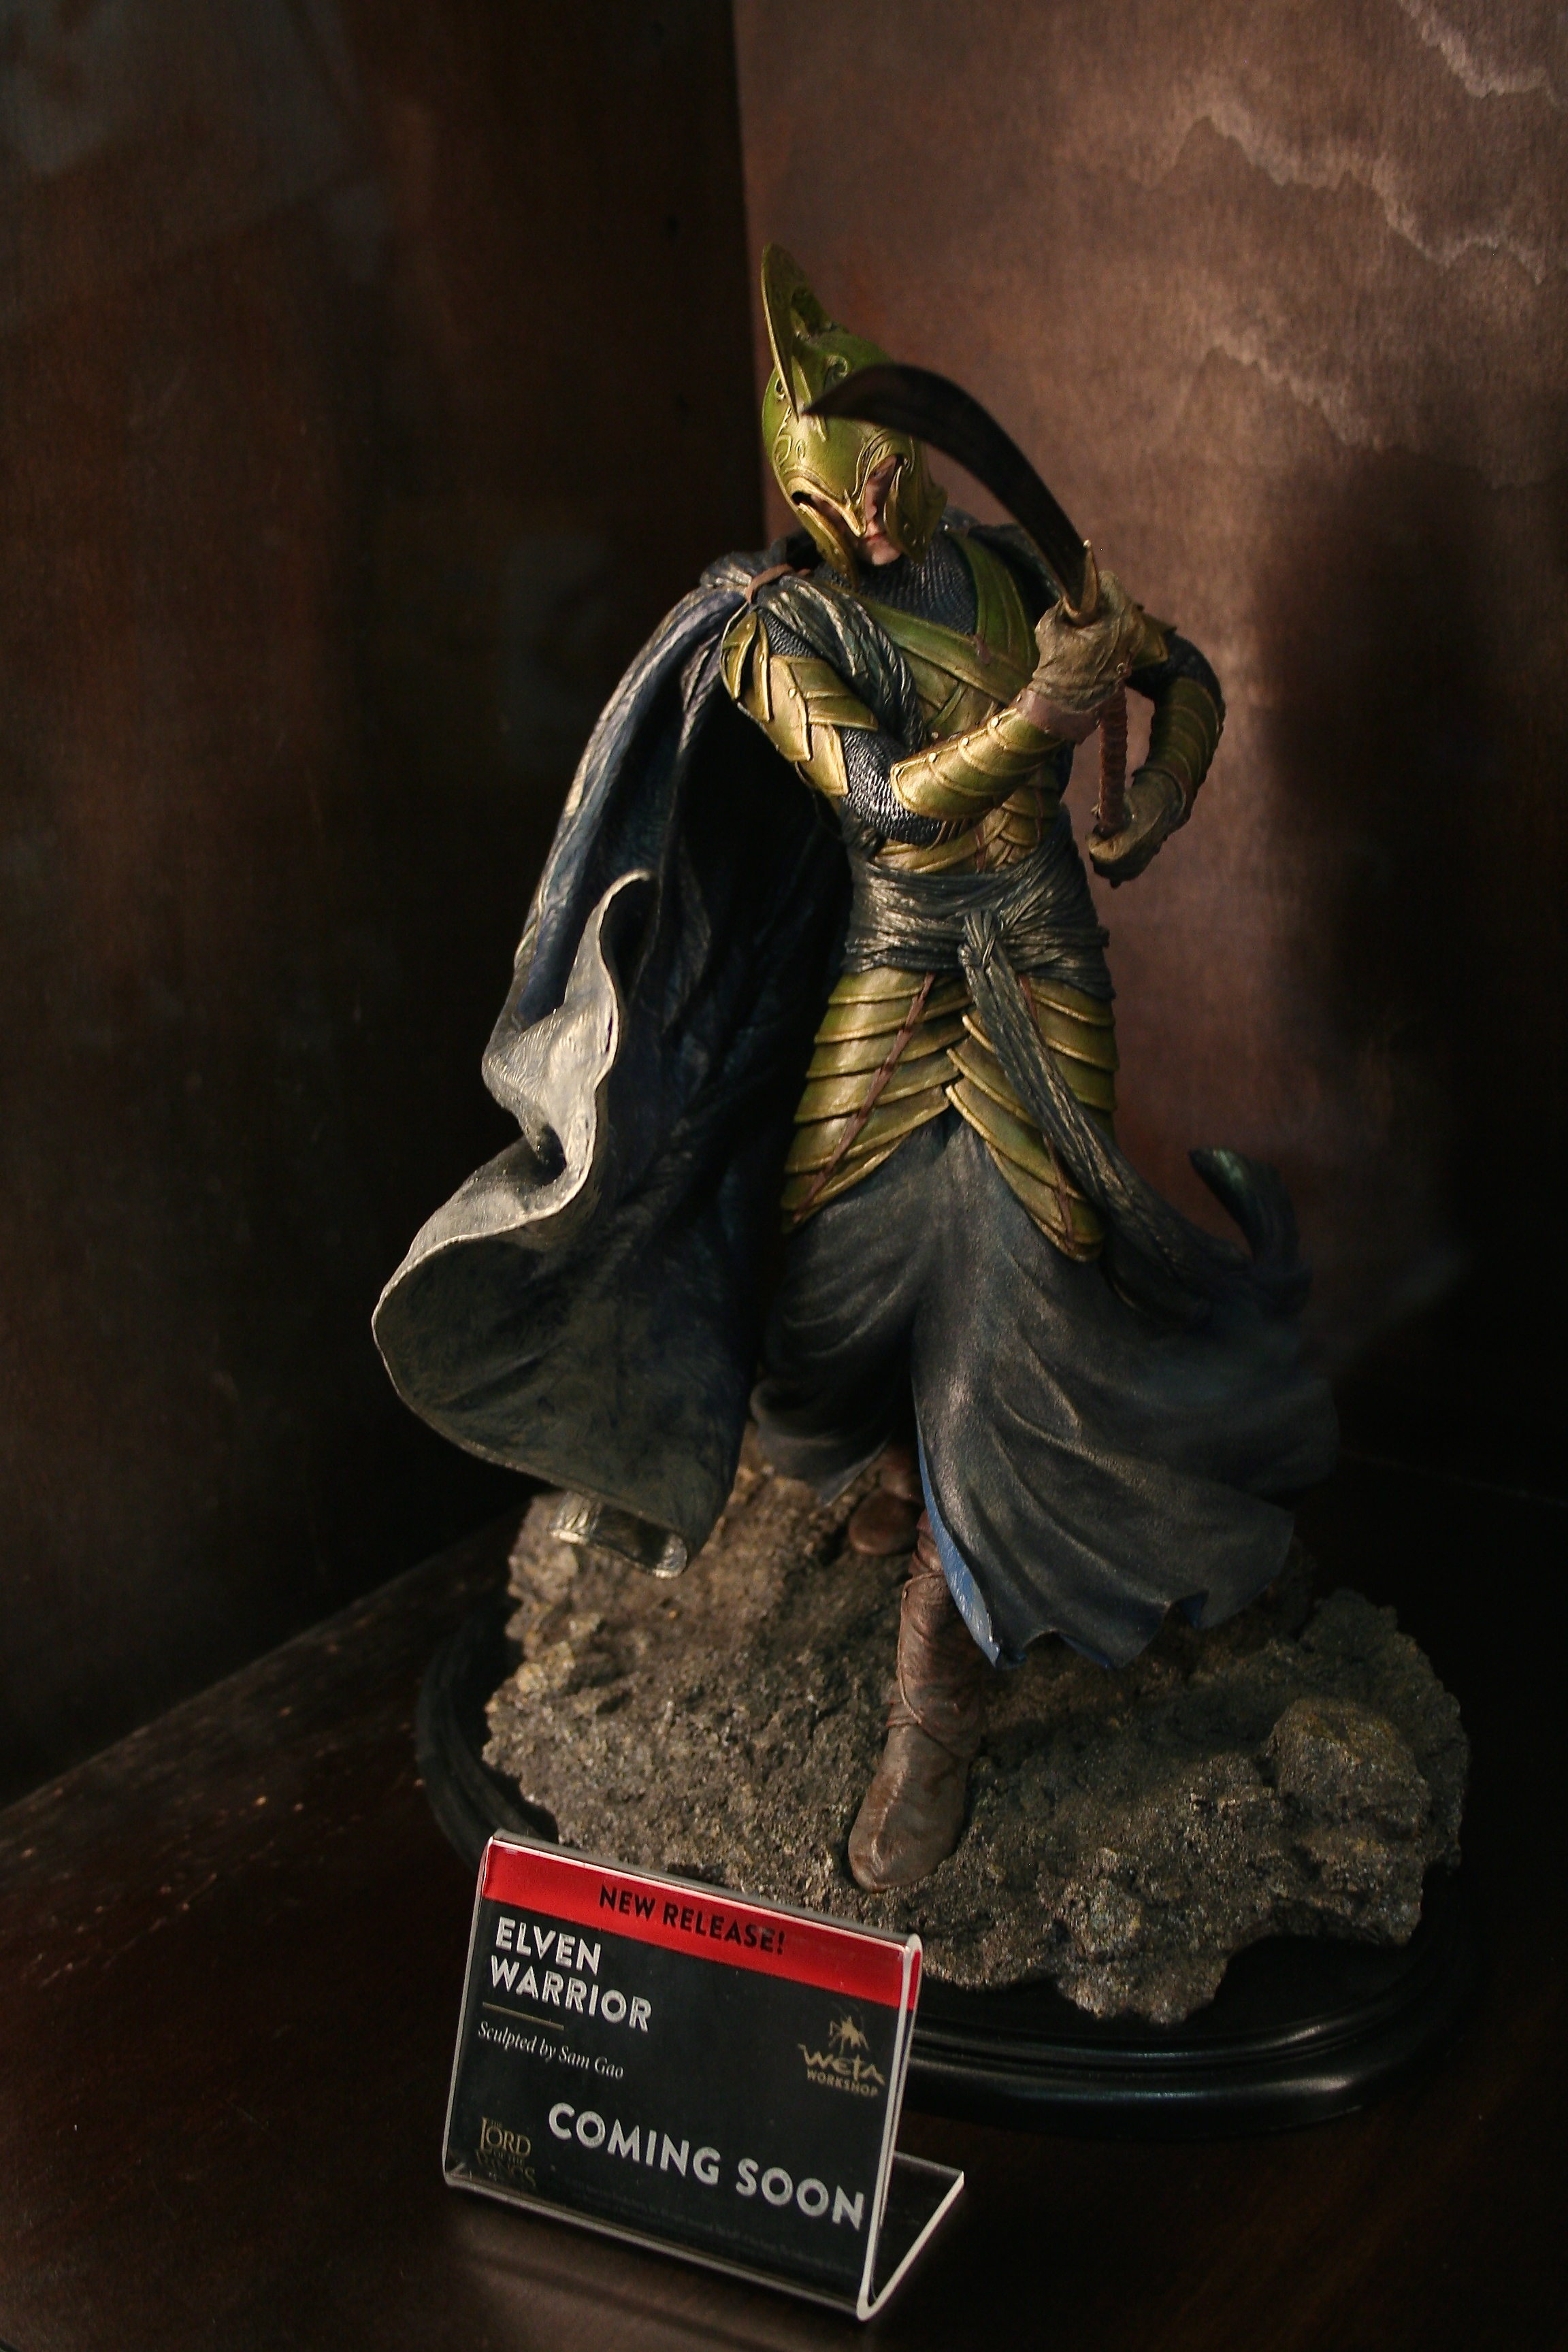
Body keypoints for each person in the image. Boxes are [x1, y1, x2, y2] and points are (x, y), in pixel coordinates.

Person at [374, 249, 1337, 1895]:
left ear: (915, 463)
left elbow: (1187, 677)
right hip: (895, 975)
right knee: (819, 1312)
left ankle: (933, 1697)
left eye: (885, 490)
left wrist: (1154, 792)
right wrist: (1044, 719)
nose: (873, 528)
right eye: (839, 506)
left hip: (1042, 964)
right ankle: (888, 1456)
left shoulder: (1022, 568)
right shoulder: (781, 627)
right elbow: (883, 801)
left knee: (1017, 1308)